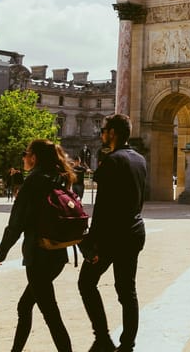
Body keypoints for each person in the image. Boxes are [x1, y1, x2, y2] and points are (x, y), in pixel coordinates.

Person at [0, 140, 75, 352]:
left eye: (26, 153)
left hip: (39, 254)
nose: (23, 157)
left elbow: (17, 222)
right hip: (58, 253)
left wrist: (1, 252)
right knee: (27, 305)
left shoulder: (34, 181)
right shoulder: (59, 178)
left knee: (50, 313)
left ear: (34, 157)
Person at [79, 113, 147, 352]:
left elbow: (103, 207)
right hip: (135, 230)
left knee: (86, 283)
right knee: (127, 291)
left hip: (112, 235)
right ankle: (127, 345)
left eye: (104, 129)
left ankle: (103, 338)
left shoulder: (112, 160)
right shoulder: (140, 159)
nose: (101, 133)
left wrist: (91, 241)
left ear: (113, 133)